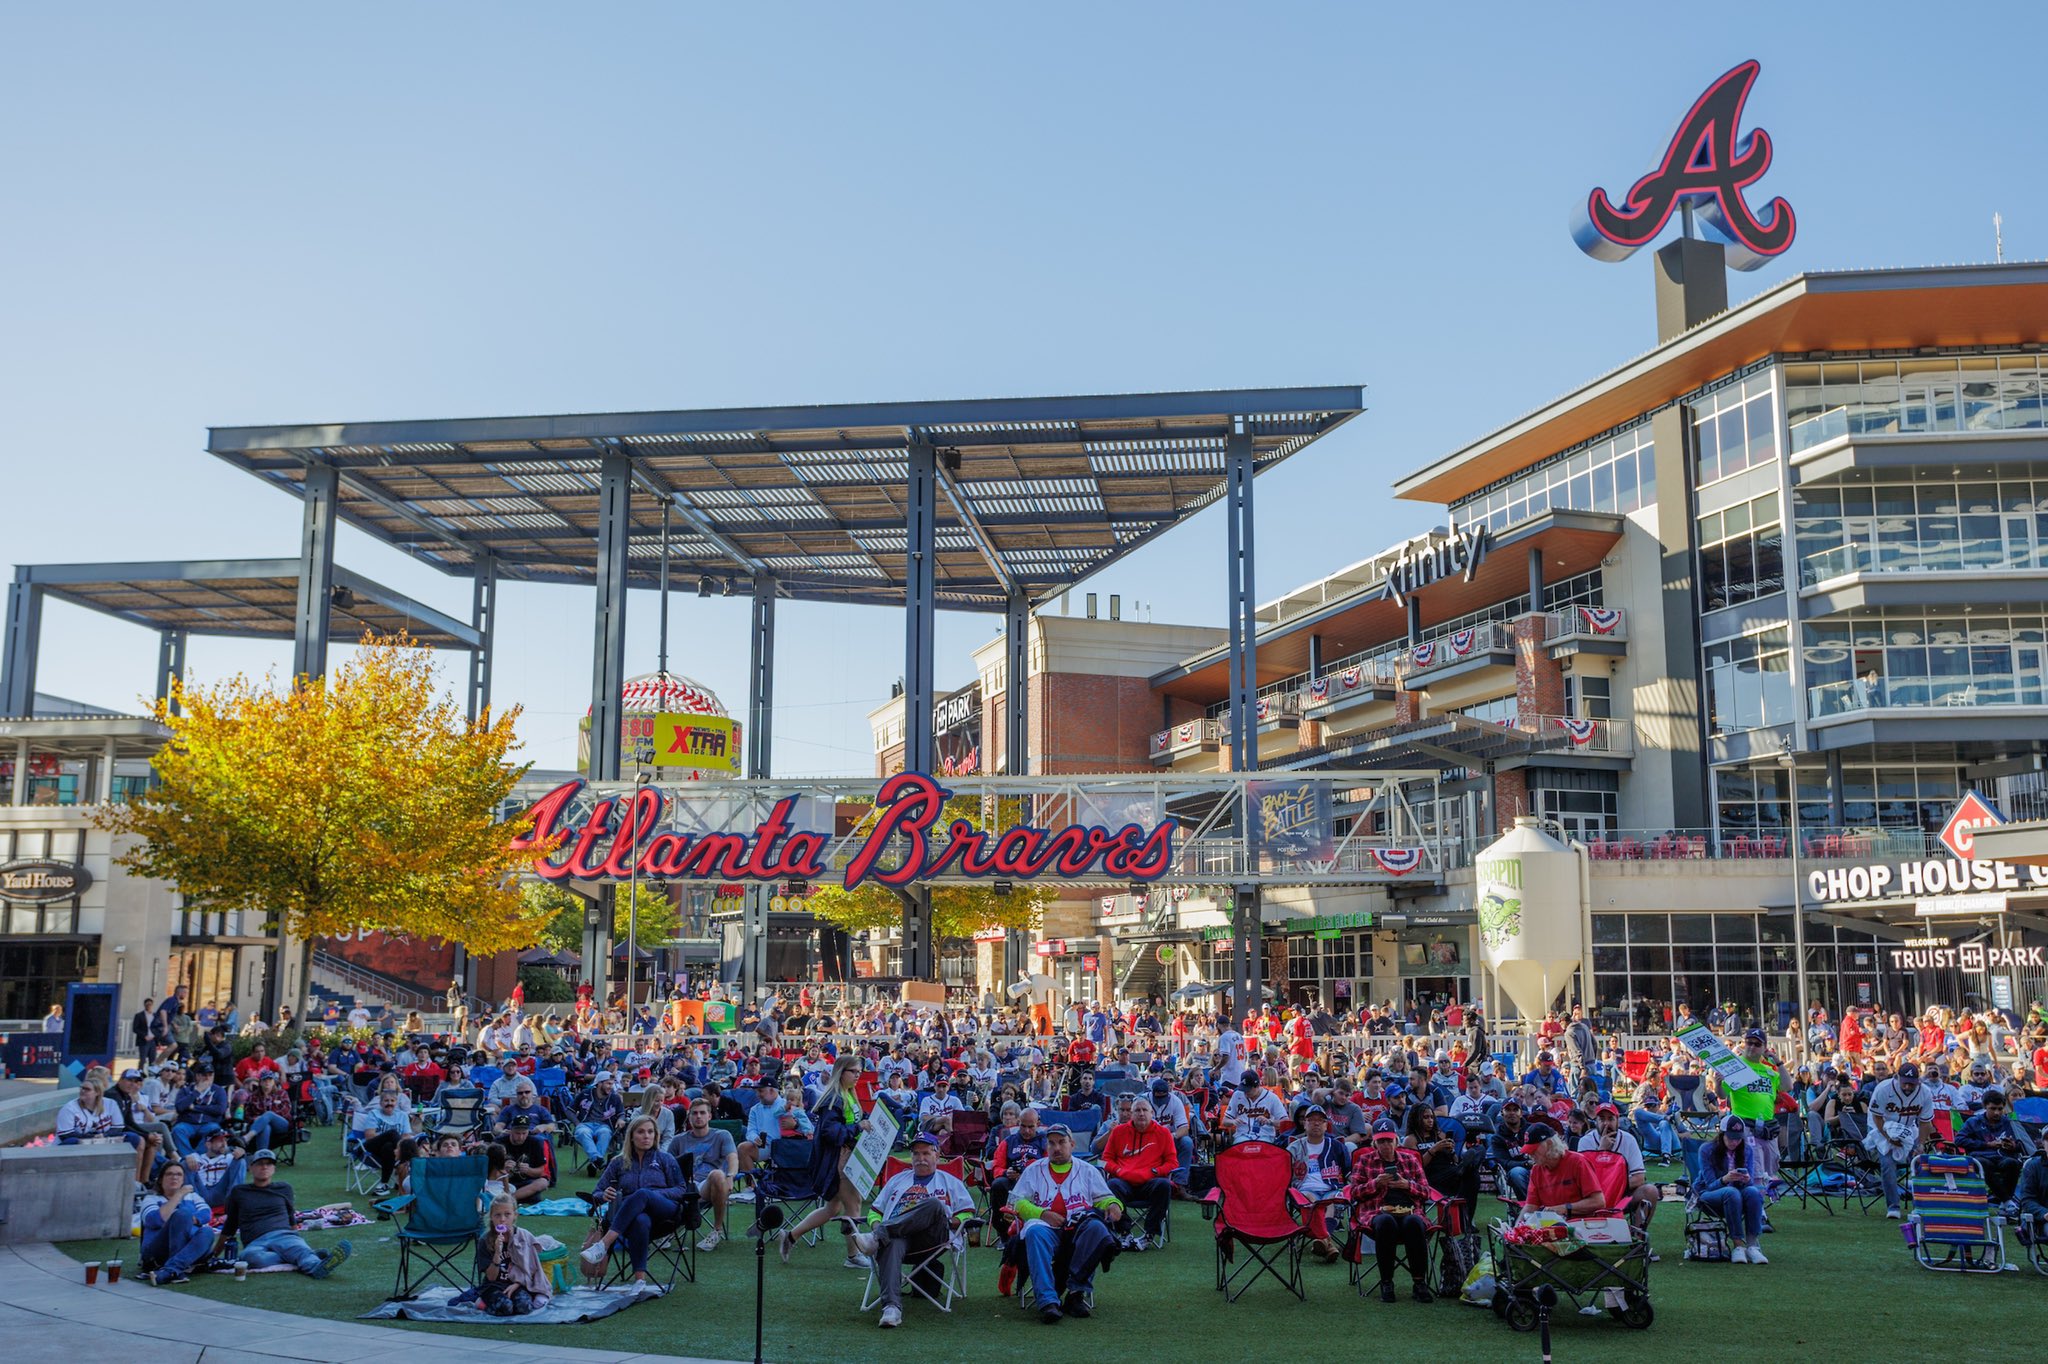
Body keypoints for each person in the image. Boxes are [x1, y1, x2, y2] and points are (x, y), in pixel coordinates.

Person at [847, 1131, 978, 1329]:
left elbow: (968, 1213)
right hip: (899, 1237)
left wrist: (950, 1221)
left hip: (934, 1238)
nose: (920, 1158)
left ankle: (876, 1238)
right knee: (891, 1242)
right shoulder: (897, 1180)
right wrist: (876, 1225)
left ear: (937, 1155)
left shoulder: (949, 1181)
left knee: (934, 1204)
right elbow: (875, 1212)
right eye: (916, 1154)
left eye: (926, 1153)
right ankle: (891, 1308)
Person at [1008, 1124, 1129, 1324]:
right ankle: (1048, 1301)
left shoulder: (1088, 1170)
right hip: (1046, 1229)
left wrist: (1114, 1205)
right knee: (1034, 1232)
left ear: (1072, 1144)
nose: (1057, 1148)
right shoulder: (1033, 1170)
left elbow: (1105, 1197)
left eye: (1062, 1142)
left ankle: (1076, 1292)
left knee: (1096, 1227)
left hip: (1078, 1230)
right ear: (1046, 1146)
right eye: (1052, 1143)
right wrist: (1042, 1213)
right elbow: (1016, 1201)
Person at [778, 1054, 873, 1269]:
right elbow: (832, 1132)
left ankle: (790, 1237)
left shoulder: (846, 1094)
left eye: (859, 1072)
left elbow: (848, 1121)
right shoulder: (835, 1098)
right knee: (853, 1205)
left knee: (833, 1208)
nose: (858, 1076)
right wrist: (858, 1127)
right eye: (853, 1072)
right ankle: (853, 1255)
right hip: (839, 1159)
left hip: (845, 1157)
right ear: (841, 1072)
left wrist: (863, 1121)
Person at [583, 1116, 694, 1288]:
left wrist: (654, 1194)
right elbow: (596, 1193)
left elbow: (681, 1189)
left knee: (643, 1194)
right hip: (630, 1218)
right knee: (640, 1220)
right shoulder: (618, 1162)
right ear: (631, 1136)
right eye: (641, 1132)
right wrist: (603, 1195)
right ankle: (640, 1281)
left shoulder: (665, 1159)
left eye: (650, 1132)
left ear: (656, 1135)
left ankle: (604, 1244)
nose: (646, 1136)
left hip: (665, 1212)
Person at [223, 1149, 351, 1277]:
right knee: (250, 1259)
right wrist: (214, 1254)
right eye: (260, 1163)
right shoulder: (239, 1192)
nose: (264, 1167)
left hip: (283, 1234)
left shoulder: (284, 1188)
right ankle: (304, 1256)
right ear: (251, 1168)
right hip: (255, 1241)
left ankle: (316, 1267)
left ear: (274, 1168)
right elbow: (231, 1224)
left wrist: (297, 1239)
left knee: (299, 1249)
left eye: (269, 1164)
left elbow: (291, 1217)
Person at [1348, 1119, 1435, 1303]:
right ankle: (1386, 1282)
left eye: (1389, 1140)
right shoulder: (1365, 1161)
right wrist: (1375, 1183)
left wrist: (1407, 1185)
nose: (1385, 1145)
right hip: (1376, 1212)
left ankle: (1419, 1283)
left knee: (1414, 1222)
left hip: (1410, 1210)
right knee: (1386, 1222)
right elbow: (1354, 1193)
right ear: (1374, 1143)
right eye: (1381, 1141)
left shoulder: (1410, 1160)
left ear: (1397, 1141)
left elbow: (1427, 1192)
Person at [1099, 1097, 1176, 1250]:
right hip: (1124, 1183)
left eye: (1145, 1110)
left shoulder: (1164, 1133)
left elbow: (1172, 1162)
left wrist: (1156, 1171)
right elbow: (1105, 1160)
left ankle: (1148, 1235)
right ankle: (1124, 1232)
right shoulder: (1119, 1132)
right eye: (1137, 1110)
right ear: (1131, 1114)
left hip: (1150, 1183)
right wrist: (1118, 1170)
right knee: (1111, 1185)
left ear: (1152, 1113)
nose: (1141, 1113)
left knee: (1164, 1185)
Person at [1865, 1061, 1935, 1218]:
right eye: (1905, 1083)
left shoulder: (1925, 1092)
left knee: (1920, 1162)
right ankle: (1893, 1206)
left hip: (1908, 1129)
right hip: (1881, 1128)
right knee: (1888, 1163)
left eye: (1912, 1084)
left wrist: (1921, 1144)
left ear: (1918, 1081)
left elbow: (1925, 1122)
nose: (1908, 1087)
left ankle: (1921, 1205)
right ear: (1897, 1078)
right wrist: (1889, 1138)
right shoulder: (1883, 1088)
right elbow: (1877, 1117)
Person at [665, 1097, 736, 1251]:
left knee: (717, 1174)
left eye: (702, 1113)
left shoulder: (721, 1135)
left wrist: (730, 1176)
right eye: (694, 1113)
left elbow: (733, 1158)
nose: (698, 1116)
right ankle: (667, 1229)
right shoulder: (678, 1140)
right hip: (684, 1185)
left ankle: (716, 1231)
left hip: (708, 1186)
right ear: (689, 1117)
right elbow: (667, 1164)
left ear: (709, 1116)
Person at [1579, 1101, 1658, 1239]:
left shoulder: (1628, 1140)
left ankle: (1637, 1240)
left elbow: (1639, 1178)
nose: (1606, 1124)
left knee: (1650, 1191)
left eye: (1610, 1119)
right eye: (1601, 1119)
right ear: (1595, 1121)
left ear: (1617, 1120)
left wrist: (1613, 1185)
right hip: (1593, 1196)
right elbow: (1582, 1180)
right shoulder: (1586, 1142)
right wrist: (1601, 1152)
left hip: (1622, 1196)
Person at [1698, 1116, 1769, 1263]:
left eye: (1738, 1139)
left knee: (1753, 1192)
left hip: (1737, 1195)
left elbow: (1749, 1187)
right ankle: (1738, 1245)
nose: (1735, 1142)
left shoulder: (1746, 1150)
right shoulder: (1706, 1150)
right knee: (1732, 1192)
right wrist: (1726, 1179)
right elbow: (1709, 1185)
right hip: (1710, 1195)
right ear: (1722, 1134)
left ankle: (1752, 1245)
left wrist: (1746, 1180)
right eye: (1731, 1138)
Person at [1287, 1104, 1351, 1262]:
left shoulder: (1337, 1146)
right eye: (1311, 1120)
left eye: (1320, 1120)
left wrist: (1351, 1185)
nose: (1316, 1123)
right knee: (1311, 1200)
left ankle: (1322, 1240)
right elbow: (1283, 1175)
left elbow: (1349, 1172)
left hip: (1332, 1188)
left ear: (1326, 1125)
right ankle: (1327, 1241)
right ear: (1304, 1123)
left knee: (1330, 1201)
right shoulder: (1294, 1148)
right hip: (1304, 1190)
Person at [138, 1159, 218, 1286]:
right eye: (169, 1174)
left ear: (183, 1179)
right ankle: (176, 1267)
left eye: (179, 1174)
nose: (174, 1177)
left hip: (187, 1246)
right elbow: (155, 1221)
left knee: (207, 1232)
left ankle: (170, 1271)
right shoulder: (151, 1199)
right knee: (182, 1214)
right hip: (156, 1252)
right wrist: (179, 1196)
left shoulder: (193, 1197)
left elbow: (206, 1214)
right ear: (160, 1179)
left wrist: (183, 1220)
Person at [475, 1192, 551, 1316]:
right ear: (491, 1217)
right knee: (505, 1308)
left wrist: (516, 1284)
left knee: (524, 1308)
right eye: (497, 1215)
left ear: (515, 1215)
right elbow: (491, 1278)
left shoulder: (523, 1237)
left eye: (507, 1214)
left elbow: (530, 1269)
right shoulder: (485, 1240)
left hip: (518, 1284)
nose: (502, 1219)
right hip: (493, 1286)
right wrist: (497, 1254)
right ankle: (482, 1303)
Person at [1956, 1088, 2035, 1204]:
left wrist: (2013, 1146)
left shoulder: (2008, 1122)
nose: (1997, 1112)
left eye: (2000, 1109)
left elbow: (2022, 1144)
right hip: (1981, 1156)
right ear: (1985, 1107)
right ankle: (2007, 1201)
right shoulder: (1973, 1122)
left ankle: (2000, 1199)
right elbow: (1959, 1140)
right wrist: (1986, 1144)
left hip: (2003, 1156)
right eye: (1993, 1109)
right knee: (1984, 1164)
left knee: (2013, 1164)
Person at [569, 1072, 626, 1174]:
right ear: (599, 1083)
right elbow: (569, 1110)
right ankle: (597, 1160)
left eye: (612, 1084)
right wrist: (577, 1123)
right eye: (608, 1084)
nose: (611, 1087)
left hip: (604, 1126)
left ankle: (595, 1162)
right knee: (583, 1132)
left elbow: (621, 1113)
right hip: (585, 1124)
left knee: (605, 1133)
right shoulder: (585, 1093)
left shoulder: (615, 1097)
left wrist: (621, 1119)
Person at [498, 1114, 554, 1204]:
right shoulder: (499, 1143)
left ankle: (510, 1198)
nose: (521, 1137)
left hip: (526, 1182)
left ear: (528, 1131)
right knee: (534, 1197)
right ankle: (521, 1196)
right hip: (504, 1182)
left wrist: (528, 1170)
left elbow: (540, 1171)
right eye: (517, 1133)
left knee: (543, 1182)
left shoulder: (535, 1143)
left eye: (524, 1133)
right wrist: (503, 1169)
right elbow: (489, 1172)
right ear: (511, 1130)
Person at [1485, 1099, 1534, 1199]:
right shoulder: (1497, 1138)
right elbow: (1505, 1163)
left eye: (1515, 1110)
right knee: (1517, 1172)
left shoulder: (1532, 1129)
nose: (1512, 1113)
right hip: (1516, 1171)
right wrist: (1525, 1164)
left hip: (1538, 1167)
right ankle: (1527, 1205)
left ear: (1521, 1113)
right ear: (1502, 1113)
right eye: (1508, 1110)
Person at [1223, 1070, 1287, 1145]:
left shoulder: (1272, 1097)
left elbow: (1285, 1122)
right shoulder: (1237, 1095)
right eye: (1244, 1089)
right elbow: (1225, 1121)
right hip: (1242, 1136)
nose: (1245, 1093)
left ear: (1257, 1086)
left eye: (1248, 1090)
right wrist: (1233, 1121)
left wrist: (1269, 1121)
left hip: (1265, 1137)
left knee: (1261, 1149)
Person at [55, 1076, 123, 1143]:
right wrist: (92, 1138)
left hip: (102, 1141)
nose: (82, 1091)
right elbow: (65, 1135)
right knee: (72, 1141)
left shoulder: (111, 1104)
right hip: (73, 1147)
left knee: (130, 1136)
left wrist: (104, 1135)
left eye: (87, 1089)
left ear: (97, 1092)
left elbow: (118, 1128)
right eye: (82, 1088)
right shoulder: (69, 1108)